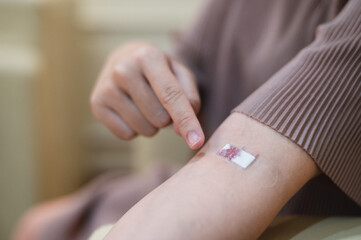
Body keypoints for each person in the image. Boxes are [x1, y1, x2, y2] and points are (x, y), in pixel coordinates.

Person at [14, 0, 361, 239]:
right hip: (195, 175)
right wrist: (137, 64)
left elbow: (241, 169)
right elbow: (188, 64)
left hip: (282, 206)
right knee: (36, 226)